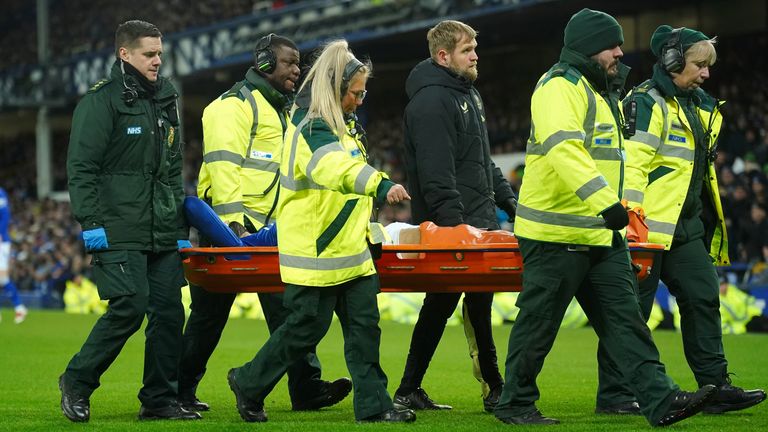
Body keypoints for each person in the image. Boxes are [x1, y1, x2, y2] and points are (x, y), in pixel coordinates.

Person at [493, 9, 716, 426]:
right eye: (611, 45)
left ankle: (660, 399)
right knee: (539, 326)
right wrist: (606, 203)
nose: (619, 51)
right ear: (589, 46)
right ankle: (514, 403)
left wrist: (613, 211)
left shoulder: (600, 92)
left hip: (599, 233)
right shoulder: (559, 86)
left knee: (627, 323)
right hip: (555, 233)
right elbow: (564, 149)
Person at [226, 39, 415, 424]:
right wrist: (380, 184)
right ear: (335, 89)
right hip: (316, 253)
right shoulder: (312, 128)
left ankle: (374, 406)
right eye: (355, 93)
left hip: (351, 251)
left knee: (365, 329)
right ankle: (248, 383)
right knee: (302, 329)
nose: (360, 100)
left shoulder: (340, 126)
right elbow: (334, 170)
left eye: (364, 92)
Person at [178, 34, 352, 412]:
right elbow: (224, 168)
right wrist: (233, 228)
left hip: (274, 231)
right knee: (209, 316)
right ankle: (179, 390)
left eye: (298, 63)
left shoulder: (285, 112)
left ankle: (306, 388)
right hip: (227, 233)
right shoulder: (229, 107)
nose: (297, 70)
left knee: (290, 311)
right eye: (289, 63)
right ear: (265, 64)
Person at [60, 20, 200, 422]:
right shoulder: (100, 103)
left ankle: (159, 399)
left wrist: (178, 230)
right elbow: (81, 168)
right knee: (129, 307)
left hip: (161, 227)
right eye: (149, 54)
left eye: (160, 53)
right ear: (125, 54)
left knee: (170, 314)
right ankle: (77, 381)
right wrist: (90, 223)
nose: (158, 60)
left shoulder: (166, 99)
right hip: (117, 226)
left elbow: (172, 170)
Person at [621, 24, 766, 414]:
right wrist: (631, 221)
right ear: (671, 60)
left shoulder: (704, 106)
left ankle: (716, 387)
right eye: (700, 65)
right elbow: (632, 166)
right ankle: (616, 396)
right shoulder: (646, 102)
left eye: (708, 66)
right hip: (647, 229)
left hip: (686, 229)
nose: (706, 73)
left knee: (704, 298)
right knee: (633, 313)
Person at [396, 19, 518, 413]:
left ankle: (410, 388)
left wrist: (512, 204)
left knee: (447, 304)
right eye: (468, 50)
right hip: (455, 226)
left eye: (474, 49)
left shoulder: (469, 95)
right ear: (443, 55)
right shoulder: (432, 101)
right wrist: (458, 229)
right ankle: (495, 387)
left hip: (477, 220)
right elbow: (436, 175)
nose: (476, 56)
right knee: (468, 305)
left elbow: (484, 164)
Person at [0, 187, 28, 324]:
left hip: (1, 241)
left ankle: (19, 306)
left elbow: (5, 215)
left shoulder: (0, 193)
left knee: (3, 278)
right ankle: (19, 307)